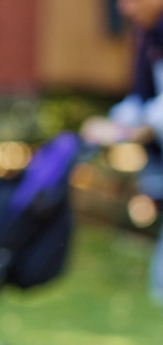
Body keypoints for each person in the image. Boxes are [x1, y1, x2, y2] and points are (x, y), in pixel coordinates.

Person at [81, 0, 163, 297]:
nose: (126, 10)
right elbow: (142, 100)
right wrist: (112, 125)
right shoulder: (148, 34)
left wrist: (139, 130)